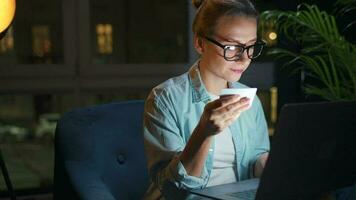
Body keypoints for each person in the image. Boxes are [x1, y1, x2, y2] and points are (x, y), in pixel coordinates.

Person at [143, 0, 270, 199]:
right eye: (231, 47)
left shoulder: (250, 101)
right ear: (200, 43)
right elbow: (170, 189)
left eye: (251, 46)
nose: (244, 58)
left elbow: (256, 163)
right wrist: (204, 132)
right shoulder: (165, 99)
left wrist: (273, 165)